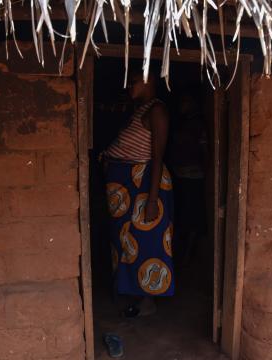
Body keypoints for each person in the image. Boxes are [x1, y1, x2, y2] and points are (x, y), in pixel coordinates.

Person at [100, 69, 174, 317]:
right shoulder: (139, 110)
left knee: (147, 243)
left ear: (149, 79)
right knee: (128, 244)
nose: (129, 84)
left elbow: (157, 158)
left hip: (144, 189)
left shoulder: (157, 111)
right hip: (130, 190)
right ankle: (134, 294)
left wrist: (152, 200)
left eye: (133, 80)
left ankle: (148, 302)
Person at [168, 90, 207, 266]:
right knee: (183, 214)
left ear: (193, 103)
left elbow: (203, 151)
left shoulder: (197, 124)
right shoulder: (184, 123)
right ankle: (181, 253)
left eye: (185, 101)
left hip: (194, 177)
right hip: (180, 175)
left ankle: (187, 255)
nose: (181, 105)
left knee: (191, 216)